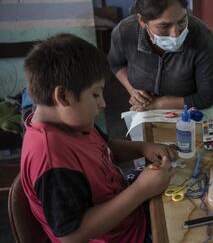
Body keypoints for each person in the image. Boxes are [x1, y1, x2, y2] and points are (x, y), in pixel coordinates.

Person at [21, 33, 177, 242]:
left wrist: (143, 148)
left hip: (127, 212)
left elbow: (107, 146)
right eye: (95, 94)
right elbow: (72, 235)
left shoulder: (72, 121)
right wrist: (141, 190)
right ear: (63, 96)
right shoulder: (51, 158)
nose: (103, 103)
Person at [108, 0, 213, 111]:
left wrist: (158, 104)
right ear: (142, 21)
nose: (175, 34)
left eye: (181, 21)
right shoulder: (125, 32)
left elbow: (206, 97)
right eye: (164, 26)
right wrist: (133, 91)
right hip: (141, 110)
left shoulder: (202, 37)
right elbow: (116, 64)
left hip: (187, 113)